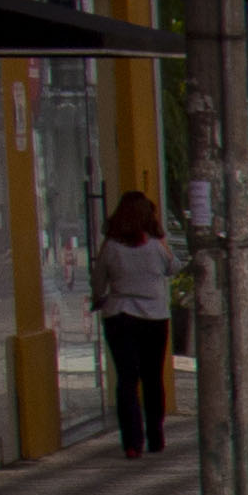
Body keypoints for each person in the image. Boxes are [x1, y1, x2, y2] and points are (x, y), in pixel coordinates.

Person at [88, 192, 173, 456]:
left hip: (120, 316)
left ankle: (132, 443)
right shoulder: (157, 246)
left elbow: (98, 281)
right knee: (152, 377)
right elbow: (174, 267)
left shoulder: (111, 247)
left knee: (127, 378)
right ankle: (156, 437)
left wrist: (100, 298)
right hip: (155, 318)